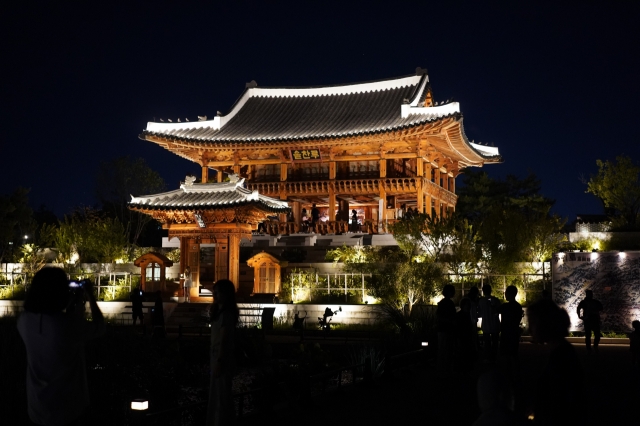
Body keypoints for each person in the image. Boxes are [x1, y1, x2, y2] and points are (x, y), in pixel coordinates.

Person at [17, 267, 105, 426]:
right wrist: (90, 296)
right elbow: (99, 327)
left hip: (36, 408)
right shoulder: (67, 325)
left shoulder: (23, 321)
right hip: (67, 409)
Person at [527, 299, 585, 425]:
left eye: (532, 323)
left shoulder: (561, 358)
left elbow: (558, 403)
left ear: (544, 323)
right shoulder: (562, 352)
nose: (529, 329)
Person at [206, 279, 239, 426]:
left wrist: (219, 360)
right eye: (214, 292)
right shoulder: (220, 312)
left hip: (221, 357)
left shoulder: (226, 314)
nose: (215, 295)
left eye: (217, 292)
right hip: (216, 356)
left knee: (221, 395)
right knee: (218, 393)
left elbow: (224, 340)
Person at [499, 285, 523, 360]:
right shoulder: (518, 306)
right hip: (514, 332)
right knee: (514, 354)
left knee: (505, 355)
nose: (505, 294)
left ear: (509, 294)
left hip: (505, 333)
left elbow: (495, 310)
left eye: (506, 293)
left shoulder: (504, 306)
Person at [478, 284, 501, 361]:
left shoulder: (481, 301)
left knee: (487, 343)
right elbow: (499, 310)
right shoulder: (496, 300)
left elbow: (480, 313)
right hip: (495, 325)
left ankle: (488, 358)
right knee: (495, 343)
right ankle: (494, 357)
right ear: (491, 290)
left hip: (486, 325)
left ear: (483, 291)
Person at [436, 284, 456, 371]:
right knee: (448, 349)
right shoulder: (449, 303)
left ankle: (442, 367)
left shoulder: (442, 303)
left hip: (442, 329)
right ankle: (446, 367)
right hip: (448, 329)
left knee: (442, 349)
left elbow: (438, 316)